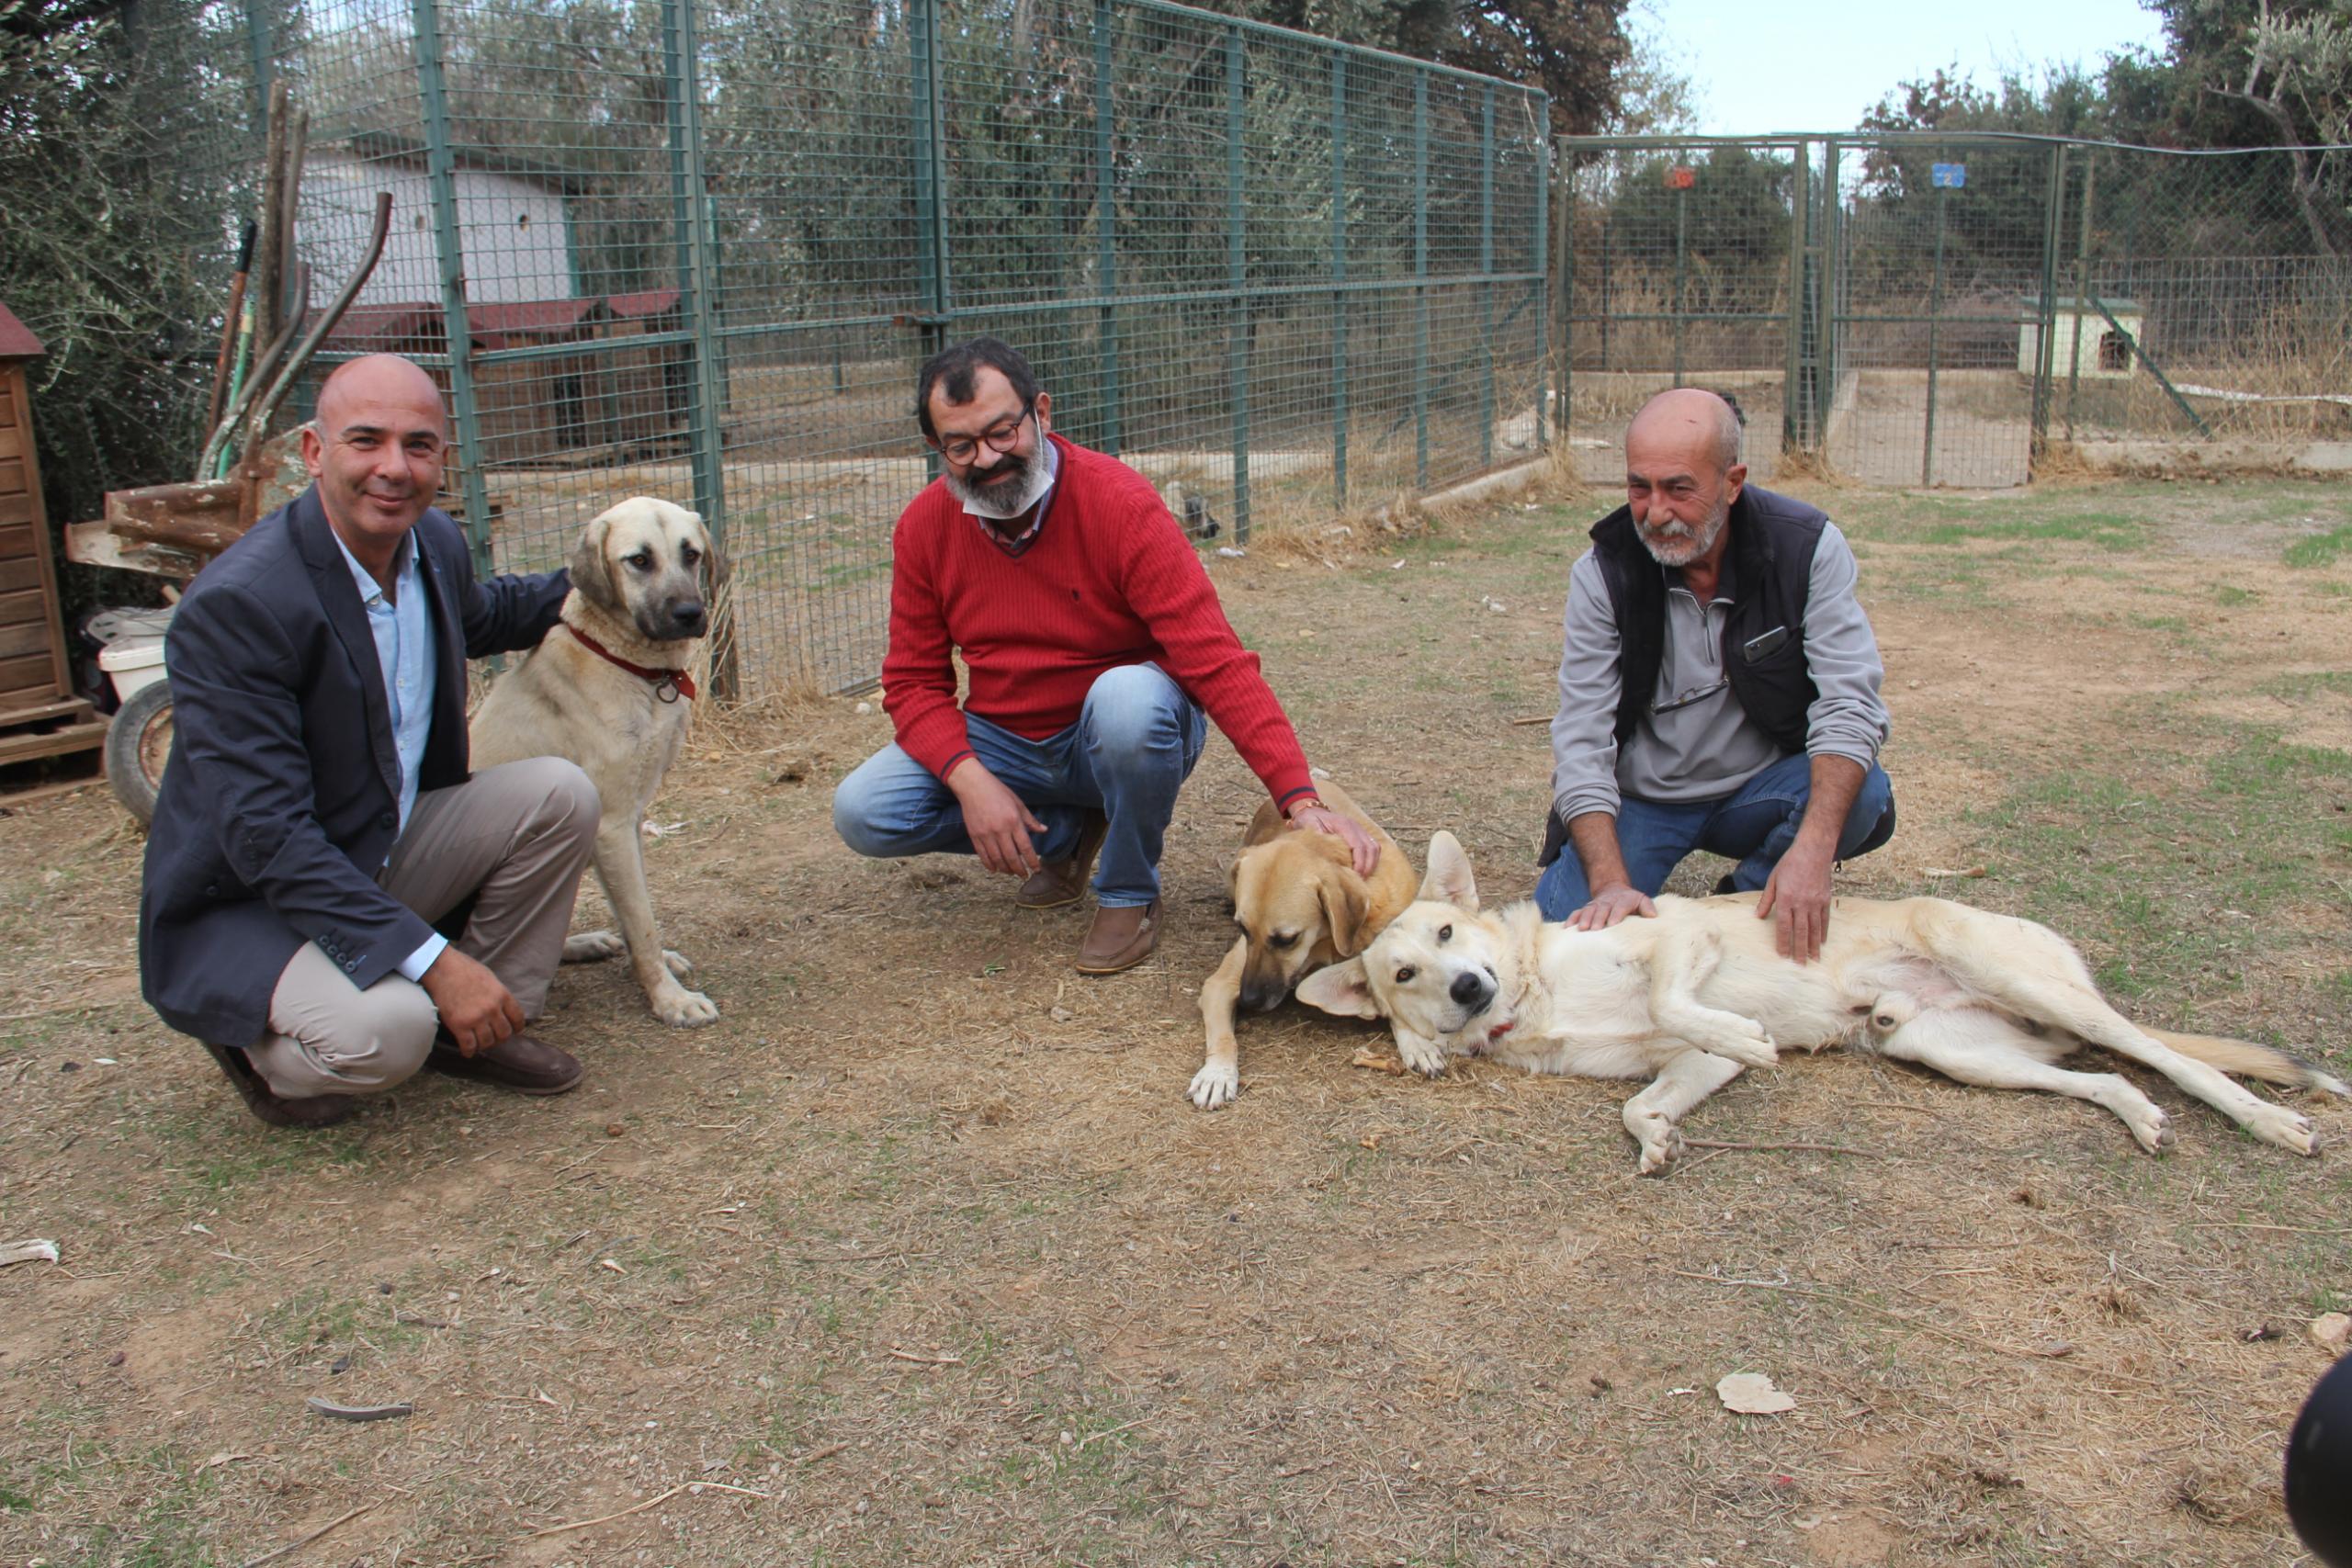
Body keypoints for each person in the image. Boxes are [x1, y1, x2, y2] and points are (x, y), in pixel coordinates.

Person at [140, 354, 600, 1128]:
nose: (395, 468)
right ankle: (267, 1047)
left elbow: (482, 616)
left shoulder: (434, 546)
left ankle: (484, 1024)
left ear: (441, 460)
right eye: (366, 440)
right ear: (315, 453)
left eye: (418, 445)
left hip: (371, 846)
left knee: (561, 794)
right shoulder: (239, 607)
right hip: (252, 901)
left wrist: (603, 570)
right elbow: (270, 839)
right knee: (389, 1033)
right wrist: (436, 962)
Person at [833, 336, 1375, 975]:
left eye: (1003, 431)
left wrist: (1299, 797)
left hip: (1120, 733)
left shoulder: (1119, 503)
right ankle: (1061, 835)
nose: (987, 458)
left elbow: (1216, 660)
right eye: (962, 445)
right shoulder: (924, 528)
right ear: (938, 450)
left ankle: (1129, 891)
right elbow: (912, 684)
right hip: (1005, 740)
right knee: (865, 810)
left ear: (1041, 412)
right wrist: (969, 779)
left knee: (1127, 700)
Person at [1536, 387, 1895, 961]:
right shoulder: (1603, 572)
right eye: (1639, 487)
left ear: (1732, 482)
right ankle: (1689, 899)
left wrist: (1810, 851)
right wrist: (1608, 883)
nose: (1655, 513)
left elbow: (1850, 705)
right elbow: (1581, 737)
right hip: (1641, 798)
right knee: (1564, 943)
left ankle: (1741, 900)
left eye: (1679, 489)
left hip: (1757, 788)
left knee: (1864, 793)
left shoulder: (1807, 549)